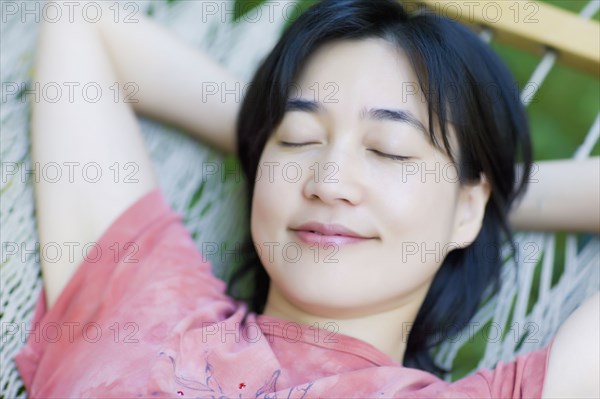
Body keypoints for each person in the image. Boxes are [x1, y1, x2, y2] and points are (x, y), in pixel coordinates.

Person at [16, 0, 599, 397]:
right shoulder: (140, 300)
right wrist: (260, 136)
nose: (328, 179)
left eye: (391, 150)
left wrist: (481, 201)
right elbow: (82, 22)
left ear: (469, 206)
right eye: (298, 139)